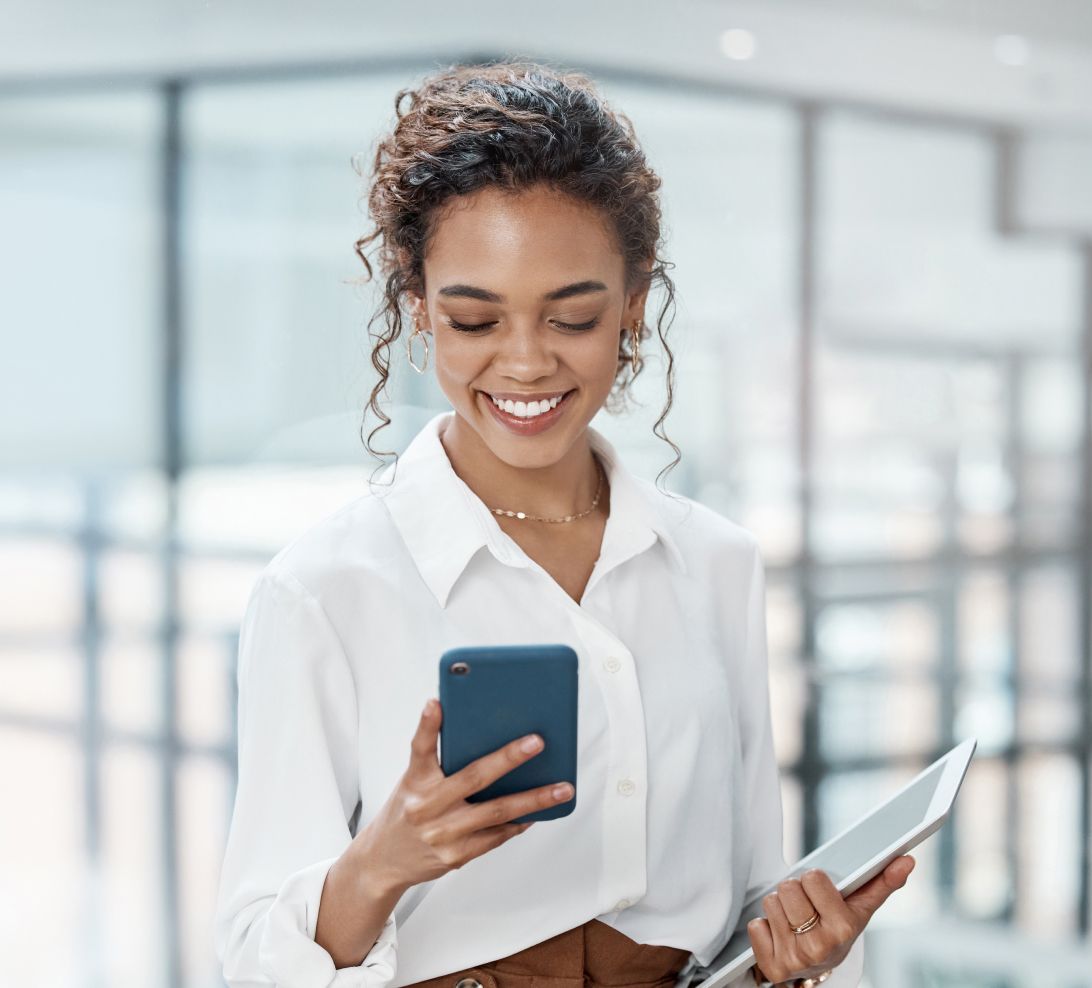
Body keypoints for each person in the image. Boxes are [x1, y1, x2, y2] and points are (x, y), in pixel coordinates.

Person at [212, 59, 915, 988]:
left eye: (572, 317)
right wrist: (381, 863)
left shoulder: (716, 564)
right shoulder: (324, 590)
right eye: (474, 322)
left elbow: (746, 898)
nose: (527, 362)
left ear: (631, 308)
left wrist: (789, 953)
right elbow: (252, 958)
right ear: (417, 311)